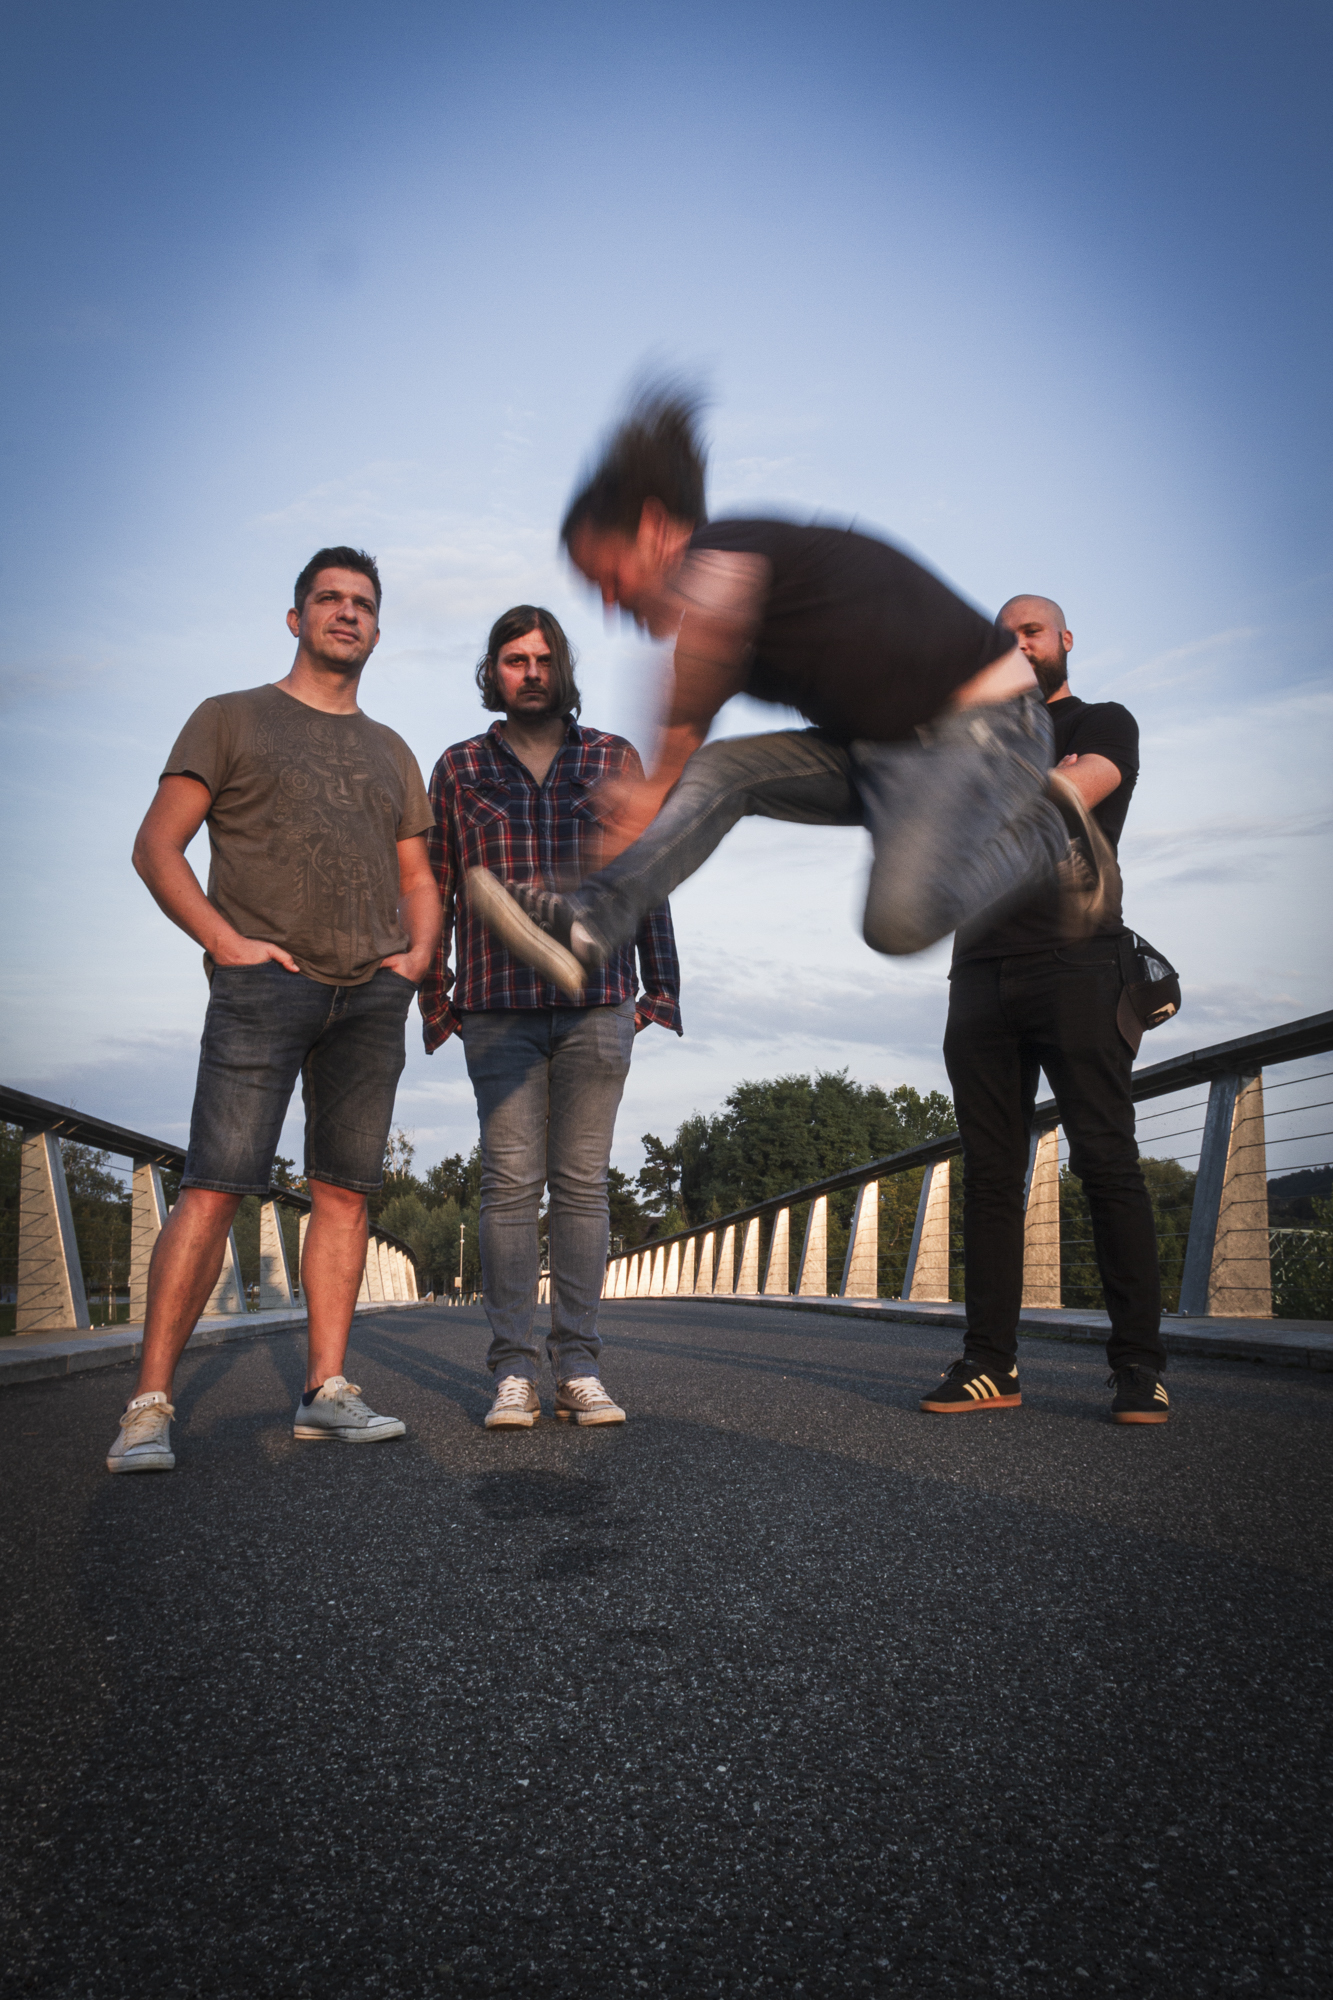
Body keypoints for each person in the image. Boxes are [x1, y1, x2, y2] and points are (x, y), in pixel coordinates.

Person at [463, 385, 1120, 1007]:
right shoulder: (710, 620)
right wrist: (611, 837)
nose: (612, 605)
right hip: (879, 753)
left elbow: (693, 671)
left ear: (655, 529)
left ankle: (1050, 832)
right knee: (720, 773)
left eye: (610, 577)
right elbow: (676, 759)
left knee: (896, 923)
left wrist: (649, 785)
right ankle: (587, 923)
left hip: (990, 732)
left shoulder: (726, 555)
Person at [106, 548, 441, 1473]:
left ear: (377, 629)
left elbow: (418, 874)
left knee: (346, 1192)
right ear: (296, 619)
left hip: (370, 993)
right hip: (264, 984)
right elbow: (157, 845)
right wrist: (225, 941)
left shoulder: (393, 749)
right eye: (328, 599)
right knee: (216, 1185)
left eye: (361, 603)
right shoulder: (229, 717)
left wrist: (416, 958)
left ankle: (325, 1392)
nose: (346, 613)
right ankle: (147, 1407)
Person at [421, 606, 681, 1428]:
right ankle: (512, 1371)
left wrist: (657, 993)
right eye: (513, 659)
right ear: (492, 672)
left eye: (542, 659)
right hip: (495, 1006)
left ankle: (578, 1367)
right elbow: (432, 887)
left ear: (561, 669)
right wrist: (436, 997)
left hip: (597, 1003)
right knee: (507, 1189)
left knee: (580, 1187)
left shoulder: (612, 758)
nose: (529, 672)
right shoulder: (459, 767)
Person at [922, 594, 1169, 1424]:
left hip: (1077, 964)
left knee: (1106, 1164)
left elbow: (1070, 791)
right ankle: (988, 1363)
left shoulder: (1102, 721)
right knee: (990, 1176)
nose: (1018, 644)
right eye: (1003, 638)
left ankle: (1138, 1368)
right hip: (978, 974)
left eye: (1030, 632)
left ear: (1062, 640)